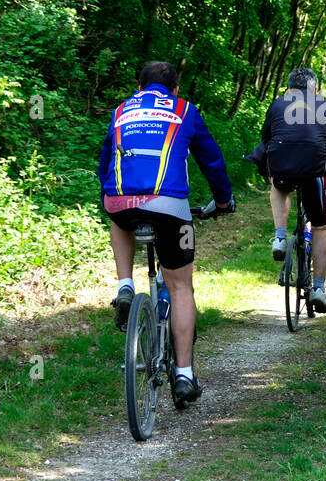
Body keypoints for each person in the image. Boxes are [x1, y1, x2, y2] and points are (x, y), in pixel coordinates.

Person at [98, 61, 235, 408]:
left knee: (116, 212)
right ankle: (185, 374)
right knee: (180, 286)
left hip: (121, 203)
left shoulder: (120, 111)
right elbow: (212, 160)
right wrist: (222, 200)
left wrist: (109, 192)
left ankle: (124, 286)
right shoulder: (184, 109)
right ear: (175, 89)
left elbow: (104, 161)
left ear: (137, 86)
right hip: (171, 209)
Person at [261, 67, 326, 313]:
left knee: (277, 183)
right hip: (315, 173)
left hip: (283, 170)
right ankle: (318, 288)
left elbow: (265, 139)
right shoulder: (325, 105)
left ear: (289, 87)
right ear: (314, 88)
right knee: (322, 226)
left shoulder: (277, 104)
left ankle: (280, 236)